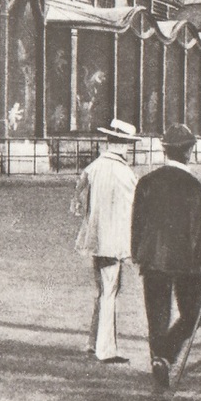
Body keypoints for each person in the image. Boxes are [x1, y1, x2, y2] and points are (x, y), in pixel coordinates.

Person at [131, 122, 201, 391]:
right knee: (192, 315)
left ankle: (159, 362)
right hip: (186, 263)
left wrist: (138, 253)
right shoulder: (192, 186)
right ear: (188, 152)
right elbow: (199, 230)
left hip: (153, 260)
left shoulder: (146, 182)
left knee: (157, 318)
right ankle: (166, 355)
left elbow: (137, 223)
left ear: (164, 149)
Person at [71, 117, 138, 365]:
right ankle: (105, 349)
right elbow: (137, 204)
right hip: (114, 240)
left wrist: (83, 207)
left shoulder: (95, 166)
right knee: (109, 291)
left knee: (103, 290)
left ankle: (93, 342)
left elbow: (78, 192)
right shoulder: (125, 173)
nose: (128, 149)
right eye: (127, 144)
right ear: (120, 144)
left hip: (96, 238)